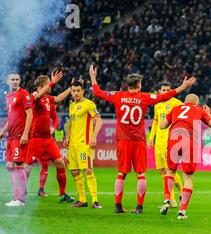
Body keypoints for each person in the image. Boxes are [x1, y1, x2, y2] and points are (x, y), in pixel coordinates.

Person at [89, 65, 196, 214]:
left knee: (121, 173)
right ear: (139, 85)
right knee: (141, 174)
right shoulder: (144, 97)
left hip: (122, 139)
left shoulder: (118, 95)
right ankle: (139, 207)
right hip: (138, 140)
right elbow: (163, 97)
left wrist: (93, 77)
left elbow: (97, 92)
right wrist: (183, 86)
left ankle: (118, 205)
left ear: (127, 85)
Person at [159, 94, 211, 219]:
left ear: (185, 102)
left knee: (170, 171)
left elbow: (162, 125)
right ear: (196, 103)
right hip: (190, 141)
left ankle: (166, 201)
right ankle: (182, 212)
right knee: (188, 177)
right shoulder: (199, 110)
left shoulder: (176, 108)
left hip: (174, 139)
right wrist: (209, 114)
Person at [25, 72, 74, 202]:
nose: (50, 87)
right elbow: (38, 96)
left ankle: (63, 194)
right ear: (41, 86)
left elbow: (57, 98)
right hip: (35, 138)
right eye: (48, 84)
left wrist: (70, 88)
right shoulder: (35, 95)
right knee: (28, 166)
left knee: (60, 163)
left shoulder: (47, 98)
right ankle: (20, 192)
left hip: (48, 139)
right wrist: (52, 82)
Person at [63, 80, 103, 208]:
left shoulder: (89, 104)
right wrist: (67, 137)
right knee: (74, 171)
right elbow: (71, 123)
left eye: (78, 91)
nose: (75, 93)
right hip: (73, 145)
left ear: (83, 91)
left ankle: (95, 200)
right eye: (73, 91)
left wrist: (94, 136)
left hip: (84, 144)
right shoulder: (71, 106)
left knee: (88, 170)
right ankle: (82, 200)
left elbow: (99, 120)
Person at [148, 81, 183, 209]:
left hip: (170, 142)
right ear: (159, 91)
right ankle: (172, 200)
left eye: (168, 89)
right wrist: (151, 138)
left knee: (170, 170)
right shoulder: (157, 104)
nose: (166, 92)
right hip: (159, 142)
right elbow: (155, 121)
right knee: (162, 171)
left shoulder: (177, 103)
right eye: (163, 90)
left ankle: (180, 192)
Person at [0, 73, 33, 207]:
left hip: (20, 136)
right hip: (11, 136)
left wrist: (25, 133)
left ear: (20, 81)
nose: (15, 82)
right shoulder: (8, 96)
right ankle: (16, 197)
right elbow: (11, 116)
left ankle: (20, 199)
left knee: (18, 165)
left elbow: (30, 113)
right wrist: (3, 130)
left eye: (17, 79)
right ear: (8, 81)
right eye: (12, 80)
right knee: (10, 166)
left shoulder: (24, 94)